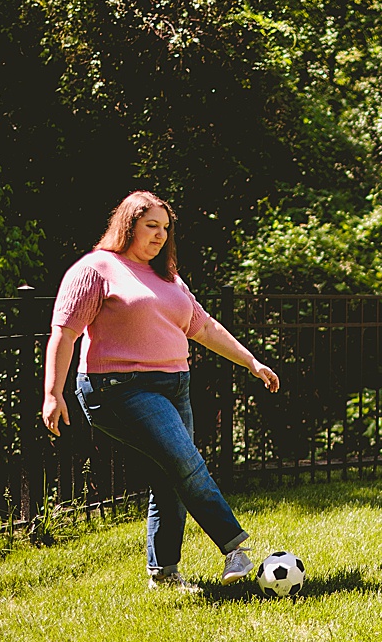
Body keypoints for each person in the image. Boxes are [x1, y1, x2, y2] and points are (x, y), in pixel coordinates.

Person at [41, 191, 280, 590]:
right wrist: (52, 392)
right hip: (118, 389)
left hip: (175, 385)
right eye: (151, 225)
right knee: (186, 461)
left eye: (165, 228)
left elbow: (204, 328)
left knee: (172, 476)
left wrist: (251, 362)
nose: (159, 235)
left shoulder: (168, 278)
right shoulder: (97, 268)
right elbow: (64, 333)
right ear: (128, 224)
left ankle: (164, 572)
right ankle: (233, 546)